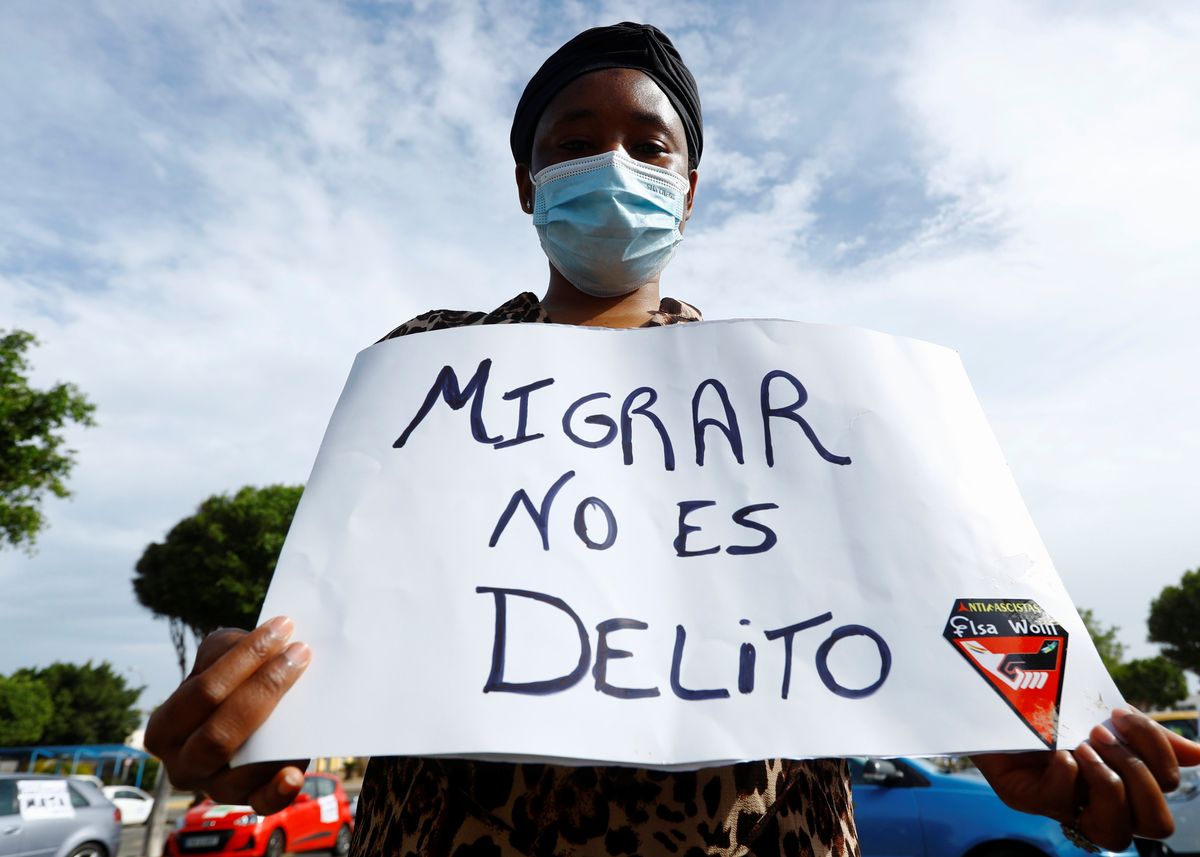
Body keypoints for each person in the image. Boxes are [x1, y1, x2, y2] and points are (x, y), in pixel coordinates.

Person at [144, 22, 1200, 857]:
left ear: (686, 188)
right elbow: (330, 606)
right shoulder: (426, 368)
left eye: (649, 145)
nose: (612, 162)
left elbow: (944, 572)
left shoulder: (798, 392)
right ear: (527, 184)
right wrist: (252, 695)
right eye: (572, 142)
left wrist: (1048, 708)